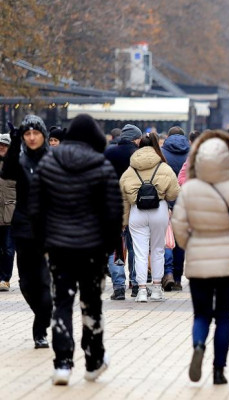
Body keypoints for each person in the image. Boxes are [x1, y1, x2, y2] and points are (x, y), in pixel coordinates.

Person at [29, 114, 122, 385]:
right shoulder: (101, 165)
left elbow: (35, 207)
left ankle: (62, 364)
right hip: (92, 248)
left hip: (58, 247)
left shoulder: (49, 163)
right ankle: (94, 361)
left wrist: (43, 241)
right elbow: (113, 211)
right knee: (92, 303)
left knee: (62, 302)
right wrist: (108, 246)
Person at [172, 130, 229, 385]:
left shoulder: (190, 188)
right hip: (227, 259)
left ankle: (198, 344)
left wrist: (188, 244)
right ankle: (218, 370)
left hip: (198, 259)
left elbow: (178, 224)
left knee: (201, 315)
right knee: (223, 317)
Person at [1, 115, 53, 349]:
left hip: (47, 229)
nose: (31, 138)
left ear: (43, 135)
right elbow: (7, 172)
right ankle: (41, 313)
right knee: (26, 283)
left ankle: (40, 328)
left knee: (44, 281)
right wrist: (13, 145)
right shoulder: (19, 159)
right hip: (23, 228)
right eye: (27, 134)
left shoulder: (53, 160)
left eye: (35, 133)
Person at [120, 132, 180, 302]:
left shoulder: (130, 169)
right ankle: (156, 289)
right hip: (159, 210)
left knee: (140, 252)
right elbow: (174, 193)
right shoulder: (164, 167)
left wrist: (123, 221)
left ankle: (141, 290)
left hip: (136, 211)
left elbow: (123, 197)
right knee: (158, 250)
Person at [105, 124, 142, 299]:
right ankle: (136, 284)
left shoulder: (109, 153)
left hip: (112, 206)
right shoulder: (138, 155)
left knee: (116, 247)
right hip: (135, 205)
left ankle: (118, 286)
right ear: (135, 139)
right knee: (136, 247)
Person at [160, 126, 190, 291]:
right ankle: (178, 278)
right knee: (180, 242)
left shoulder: (161, 153)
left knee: (166, 240)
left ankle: (168, 273)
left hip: (167, 202)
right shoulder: (191, 153)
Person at [0, 133, 16, 291]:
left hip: (11, 215)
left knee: (9, 249)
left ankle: (5, 279)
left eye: (5, 145)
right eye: (0, 144)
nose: (2, 147)